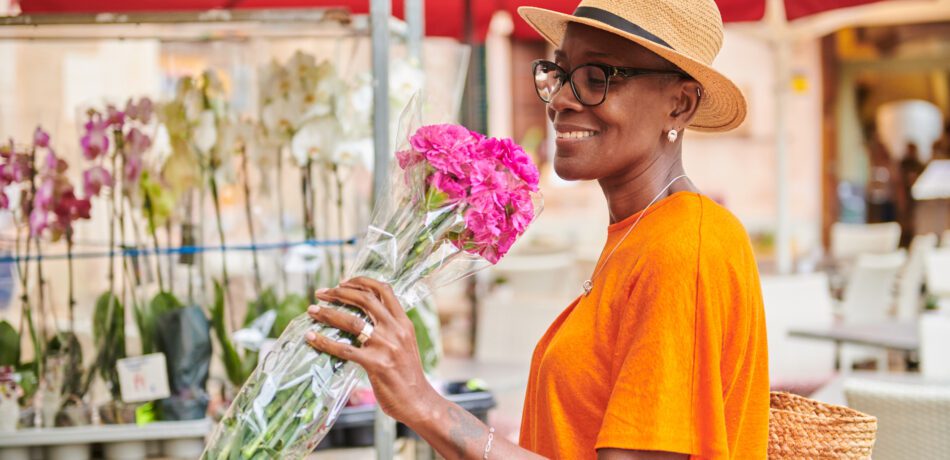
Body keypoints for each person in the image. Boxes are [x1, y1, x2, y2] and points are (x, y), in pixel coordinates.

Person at [305, 0, 770, 458]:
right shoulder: (642, 235)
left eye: (597, 78)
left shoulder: (685, 247)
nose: (562, 100)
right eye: (560, 73)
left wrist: (425, 404)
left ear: (680, 104)